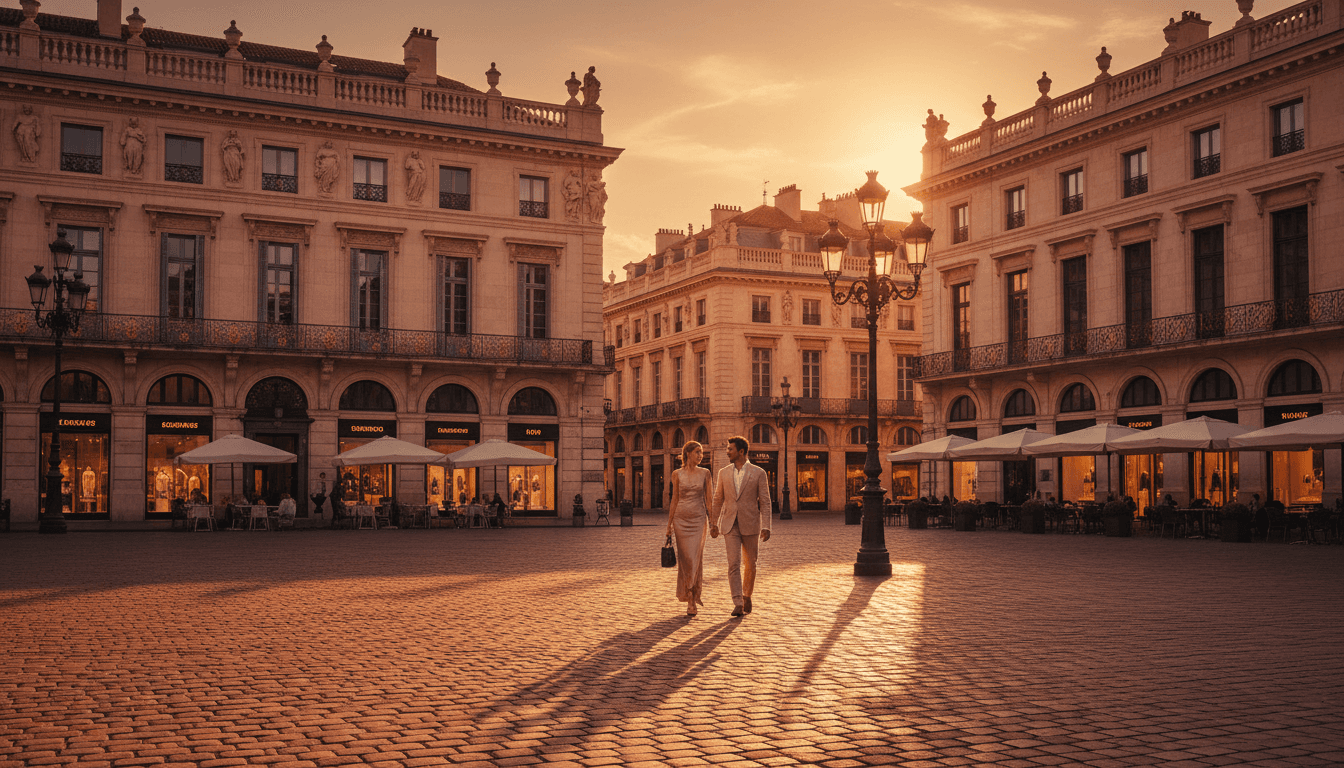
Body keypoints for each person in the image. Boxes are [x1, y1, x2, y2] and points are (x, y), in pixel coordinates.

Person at [710, 436, 772, 618]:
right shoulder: (723, 473)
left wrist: (766, 525)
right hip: (730, 525)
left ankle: (747, 594)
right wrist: (713, 522)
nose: (727, 451)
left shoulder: (759, 473)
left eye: (730, 449)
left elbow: (765, 502)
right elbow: (717, 499)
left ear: (741, 452)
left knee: (751, 563)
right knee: (733, 564)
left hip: (751, 523)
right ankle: (737, 601)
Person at [665, 441, 713, 617]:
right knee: (686, 560)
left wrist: (713, 521)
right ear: (687, 454)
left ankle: (693, 597)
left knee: (695, 559)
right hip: (680, 520)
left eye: (702, 452)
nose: (701, 455)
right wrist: (669, 524)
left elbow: (709, 500)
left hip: (699, 520)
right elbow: (675, 499)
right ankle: (689, 594)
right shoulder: (677, 474)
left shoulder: (705, 473)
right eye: (697, 452)